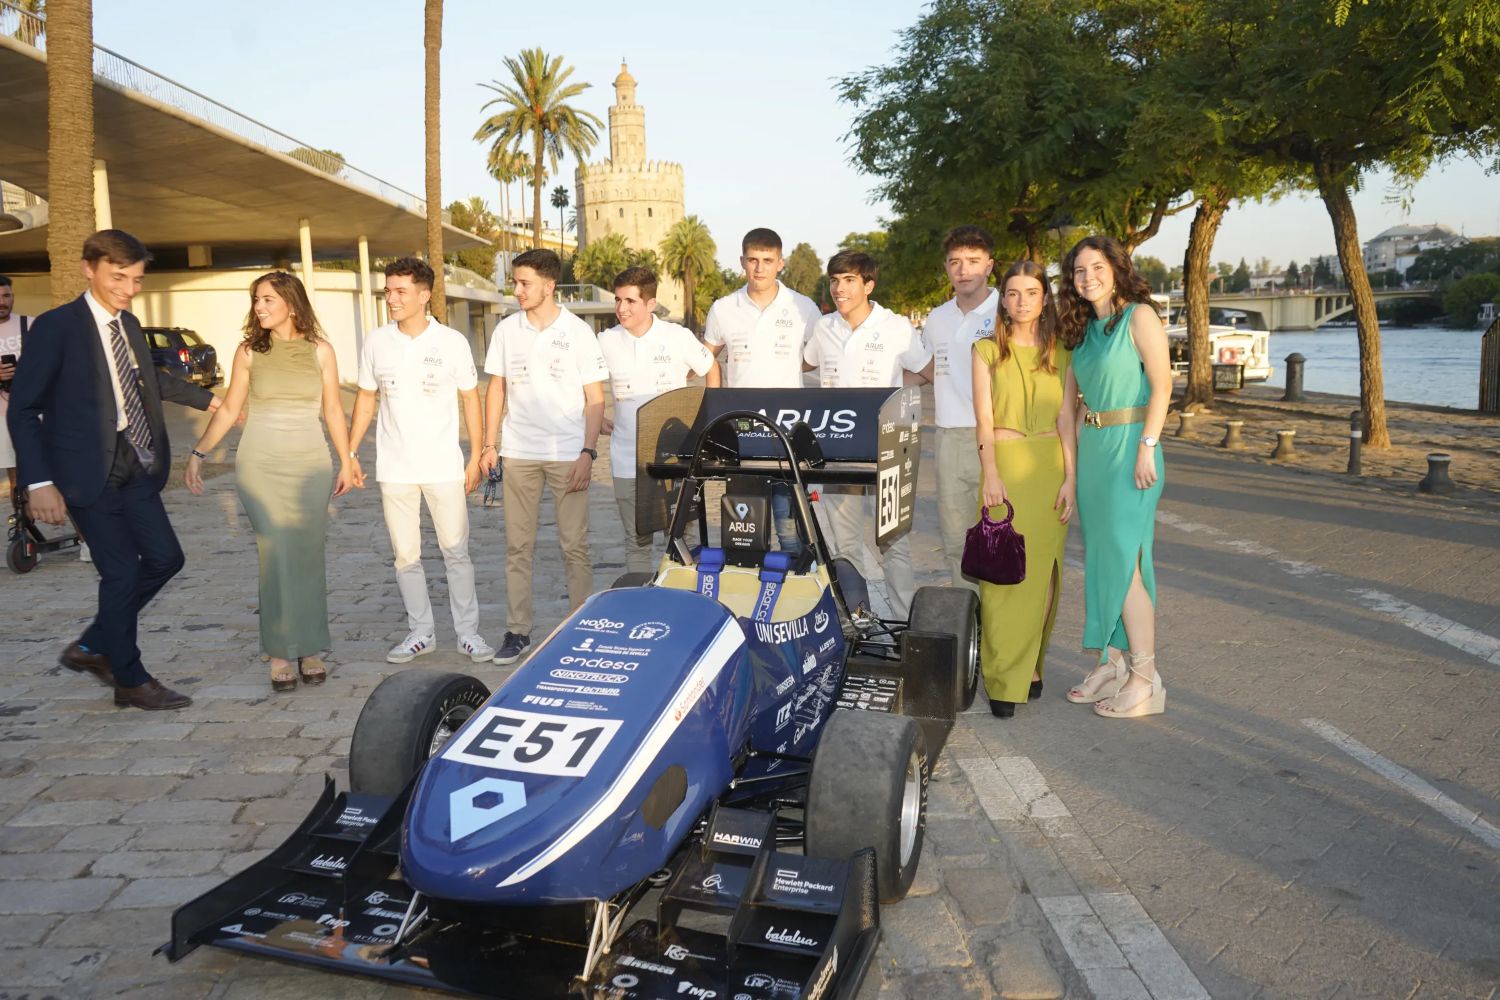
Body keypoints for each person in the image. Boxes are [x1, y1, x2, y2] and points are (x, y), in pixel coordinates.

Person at [6, 230, 223, 710]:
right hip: (85, 472)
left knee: (166, 559)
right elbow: (22, 409)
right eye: (118, 277)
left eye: (137, 279)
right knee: (122, 573)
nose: (128, 288)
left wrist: (211, 399)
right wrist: (39, 483)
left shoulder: (128, 324)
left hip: (137, 464)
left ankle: (92, 645)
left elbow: (151, 377)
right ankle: (129, 677)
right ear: (89, 268)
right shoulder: (56, 327)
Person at [183, 271, 356, 691]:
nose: (259, 307)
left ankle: (310, 648)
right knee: (275, 553)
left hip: (310, 464)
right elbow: (228, 410)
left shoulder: (321, 351)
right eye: (256, 300)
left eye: (267, 300)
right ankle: (280, 652)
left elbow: (333, 409)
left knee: (307, 553)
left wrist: (347, 459)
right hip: (260, 464)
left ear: (291, 305)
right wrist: (198, 453)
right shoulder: (248, 352)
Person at [348, 258, 493, 665]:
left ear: (424, 295)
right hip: (394, 470)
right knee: (406, 556)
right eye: (388, 291)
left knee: (456, 553)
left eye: (400, 291)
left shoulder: (451, 342)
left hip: (445, 467)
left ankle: (468, 634)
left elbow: (470, 399)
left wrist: (476, 455)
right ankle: (421, 632)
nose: (391, 299)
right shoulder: (376, 341)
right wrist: (351, 451)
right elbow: (364, 397)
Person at [1055, 235, 1171, 719]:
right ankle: (1113, 662)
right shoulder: (1083, 330)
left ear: (1117, 268)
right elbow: (1070, 412)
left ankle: (1146, 679)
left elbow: (1164, 383)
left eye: (1097, 267)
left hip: (1132, 449)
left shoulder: (1139, 316)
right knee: (1103, 563)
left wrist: (1148, 445)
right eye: (1079, 270)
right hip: (1096, 453)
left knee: (1125, 566)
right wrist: (1070, 473)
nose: (1088, 277)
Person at [479, 248, 608, 665]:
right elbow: (495, 389)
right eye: (515, 282)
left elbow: (595, 398)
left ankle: (579, 627)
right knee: (518, 547)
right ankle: (518, 631)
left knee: (575, 546)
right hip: (518, 454)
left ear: (549, 286)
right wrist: (489, 443)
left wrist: (588, 452)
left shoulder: (578, 333)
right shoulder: (506, 331)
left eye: (524, 283)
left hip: (568, 454)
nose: (516, 290)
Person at [971, 261, 1076, 718]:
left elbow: (1066, 421)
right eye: (1012, 293)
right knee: (1005, 575)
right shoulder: (986, 350)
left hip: (1049, 467)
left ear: (1044, 298)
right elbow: (984, 420)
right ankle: (1001, 678)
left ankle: (1032, 665)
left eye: (1030, 292)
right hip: (1007, 469)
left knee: (1045, 574)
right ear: (1004, 300)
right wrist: (990, 472)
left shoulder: (1062, 353)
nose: (1021, 301)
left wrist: (1072, 477)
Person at [802, 250, 930, 617]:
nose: (840, 288)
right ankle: (855, 619)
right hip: (838, 453)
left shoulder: (896, 328)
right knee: (844, 546)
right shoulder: (824, 328)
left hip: (887, 450)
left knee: (893, 543)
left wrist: (891, 394)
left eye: (849, 280)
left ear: (869, 285)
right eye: (835, 280)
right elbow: (806, 362)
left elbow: (925, 371)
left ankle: (905, 624)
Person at [703, 228, 821, 554]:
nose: (759, 268)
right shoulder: (724, 308)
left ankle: (795, 596)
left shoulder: (803, 307)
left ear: (780, 263)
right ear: (742, 261)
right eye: (753, 260)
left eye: (767, 261)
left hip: (786, 434)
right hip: (742, 433)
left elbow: (816, 358)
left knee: (790, 533)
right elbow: (704, 357)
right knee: (745, 533)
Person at [598, 266, 720, 574]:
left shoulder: (677, 337)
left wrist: (711, 417)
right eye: (617, 300)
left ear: (650, 304)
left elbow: (711, 367)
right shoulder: (604, 341)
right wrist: (597, 416)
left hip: (675, 459)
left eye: (630, 301)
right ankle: (642, 607)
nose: (621, 309)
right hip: (627, 460)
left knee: (681, 540)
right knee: (635, 540)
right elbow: (584, 383)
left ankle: (679, 608)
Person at [920, 226, 999, 591]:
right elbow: (922, 370)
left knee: (1002, 535)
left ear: (990, 265)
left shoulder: (1008, 310)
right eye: (955, 262)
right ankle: (970, 630)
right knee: (957, 541)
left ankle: (1003, 634)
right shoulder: (936, 319)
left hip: (1002, 437)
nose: (963, 269)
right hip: (951, 437)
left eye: (973, 261)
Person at [0, 275, 30, 496]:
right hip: (2, 416)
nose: (2, 301)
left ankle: (85, 531)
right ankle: (25, 530)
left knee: (59, 475)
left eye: (6, 295)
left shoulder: (31, 324)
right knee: (17, 481)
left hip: (36, 410)